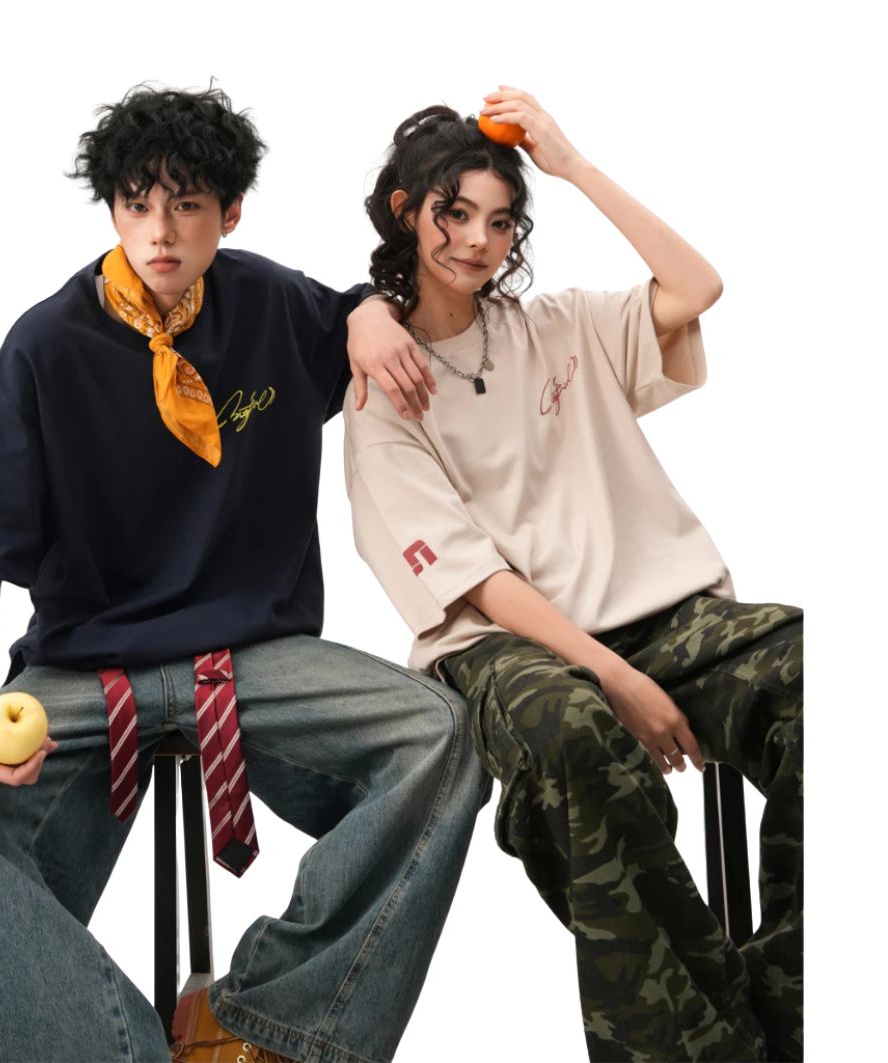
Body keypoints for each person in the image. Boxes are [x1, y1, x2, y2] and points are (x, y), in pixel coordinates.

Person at [0, 85, 489, 1063]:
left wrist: (365, 312)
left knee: (437, 734)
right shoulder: (44, 345)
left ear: (231, 211)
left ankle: (265, 1023)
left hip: (253, 655)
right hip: (85, 669)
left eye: (186, 205)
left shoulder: (271, 303)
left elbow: (371, 310)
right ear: (111, 210)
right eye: (137, 204)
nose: (161, 232)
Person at [343, 88, 802, 1063]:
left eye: (500, 219)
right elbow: (475, 580)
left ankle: (786, 1009)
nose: (478, 241)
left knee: (822, 683)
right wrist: (613, 675)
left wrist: (572, 164)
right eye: (453, 213)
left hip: (661, 613)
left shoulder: (559, 326)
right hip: (503, 645)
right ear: (405, 211)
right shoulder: (380, 392)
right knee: (570, 732)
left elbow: (696, 286)